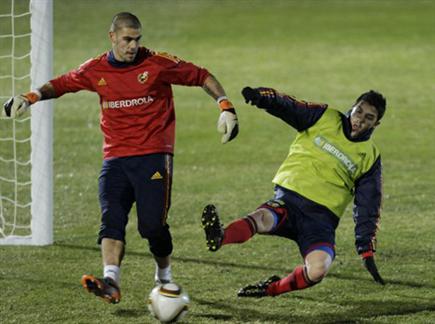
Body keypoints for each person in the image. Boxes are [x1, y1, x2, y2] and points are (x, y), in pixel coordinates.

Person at [3, 12, 239, 304]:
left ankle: (164, 276)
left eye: (137, 39)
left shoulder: (156, 64)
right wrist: (30, 97)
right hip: (115, 159)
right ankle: (111, 281)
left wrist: (225, 105)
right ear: (112, 37)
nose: (133, 46)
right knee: (111, 219)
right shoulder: (96, 69)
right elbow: (63, 83)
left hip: (154, 156)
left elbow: (202, 75)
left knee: (152, 227)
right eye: (127, 39)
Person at [202, 86, 386, 297]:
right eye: (359, 111)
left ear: (376, 124)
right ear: (352, 107)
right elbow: (291, 107)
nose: (360, 119)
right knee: (262, 218)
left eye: (369, 117)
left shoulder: (370, 157)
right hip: (288, 202)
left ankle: (271, 288)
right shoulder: (324, 117)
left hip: (320, 221)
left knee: (318, 269)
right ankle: (220, 236)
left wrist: (366, 249)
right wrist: (263, 98)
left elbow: (368, 205)